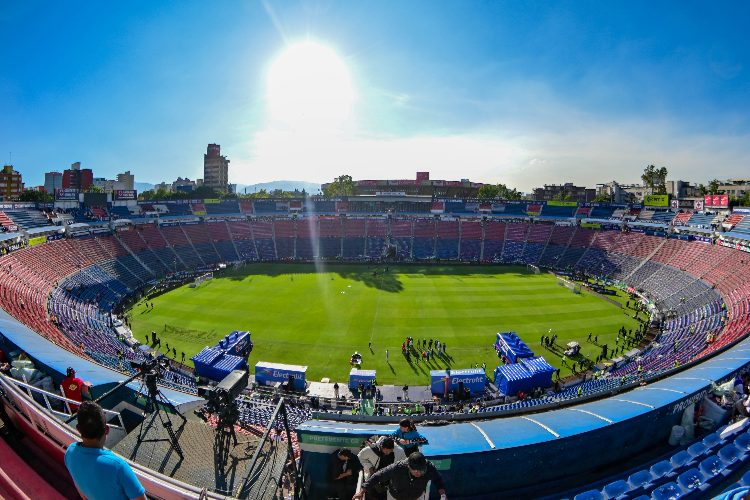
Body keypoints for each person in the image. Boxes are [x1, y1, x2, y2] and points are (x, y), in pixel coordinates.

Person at [65, 401, 147, 500]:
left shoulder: (69, 453)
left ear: (78, 429)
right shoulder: (118, 466)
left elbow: (83, 494)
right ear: (107, 429)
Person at [353, 452, 446, 500]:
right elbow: (378, 476)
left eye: (421, 470)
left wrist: (443, 495)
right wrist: (362, 491)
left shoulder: (429, 467)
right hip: (395, 496)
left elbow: (438, 480)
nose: (419, 473)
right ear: (408, 466)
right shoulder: (397, 467)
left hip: (416, 496)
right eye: (415, 470)